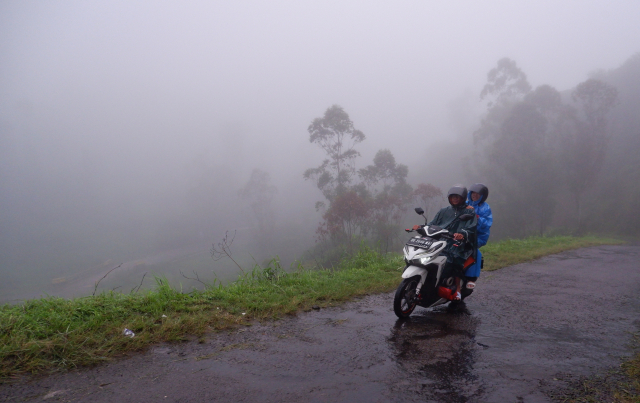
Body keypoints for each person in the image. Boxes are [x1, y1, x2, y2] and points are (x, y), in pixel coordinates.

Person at [421, 185, 477, 300]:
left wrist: (462, 234)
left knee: (454, 258)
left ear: (463, 198)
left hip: (459, 243)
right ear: (449, 198)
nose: (455, 199)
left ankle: (457, 289)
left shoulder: (469, 211)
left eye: (458, 197)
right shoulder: (444, 211)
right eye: (452, 197)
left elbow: (471, 227)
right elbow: (433, 223)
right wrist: (422, 228)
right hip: (441, 239)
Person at [464, 183, 493, 288]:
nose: (474, 195)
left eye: (477, 194)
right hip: (464, 233)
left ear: (482, 196)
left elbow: (486, 225)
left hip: (478, 236)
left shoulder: (485, 208)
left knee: (475, 252)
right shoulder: (465, 203)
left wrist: (476, 216)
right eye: (473, 193)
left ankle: (472, 278)